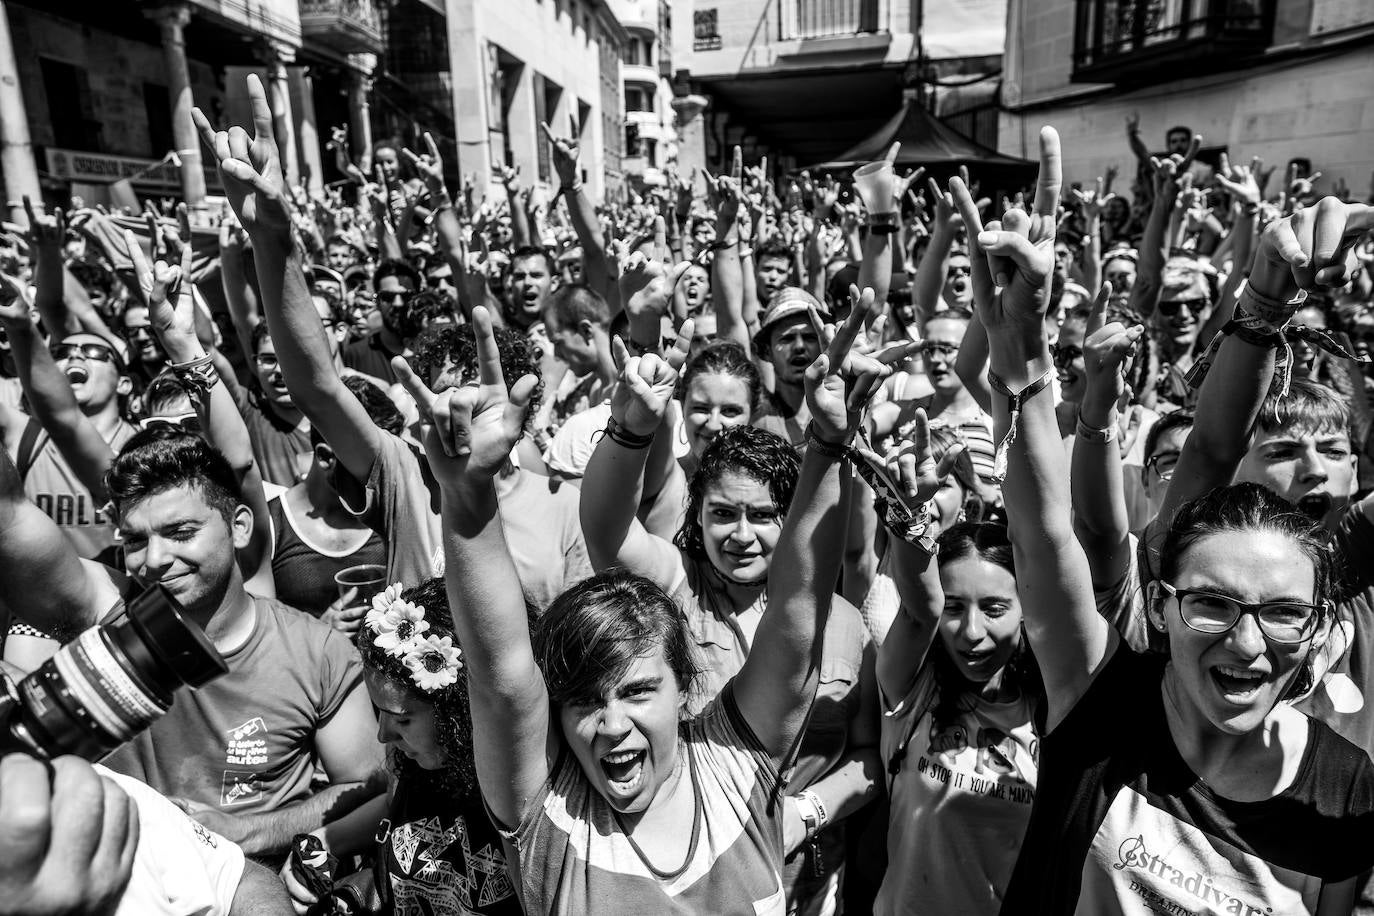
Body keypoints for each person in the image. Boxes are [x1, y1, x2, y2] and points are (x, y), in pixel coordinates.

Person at [948, 128, 1374, 914]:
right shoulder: (1101, 699)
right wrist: (1025, 357)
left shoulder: (1347, 795)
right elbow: (1050, 534)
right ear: (1159, 602)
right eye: (1211, 604)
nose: (1247, 644)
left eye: (1284, 613)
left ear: (1319, 622)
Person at [398, 295, 878, 912]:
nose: (613, 725)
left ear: (685, 687)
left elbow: (799, 610)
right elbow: (500, 671)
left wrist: (831, 444)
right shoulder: (550, 816)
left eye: (638, 691)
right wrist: (467, 495)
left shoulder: (736, 772)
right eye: (584, 701)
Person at [580, 297, 894, 913]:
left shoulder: (842, 622)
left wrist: (805, 811)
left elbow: (868, 758)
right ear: (696, 519)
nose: (741, 535)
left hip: (810, 886)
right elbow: (608, 533)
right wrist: (633, 429)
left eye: (763, 516)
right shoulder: (676, 590)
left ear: (791, 519)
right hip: (692, 884)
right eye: (722, 514)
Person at [282, 578, 521, 915]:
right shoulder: (420, 766)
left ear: (457, 710)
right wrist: (324, 840)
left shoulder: (513, 789)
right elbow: (392, 806)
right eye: (378, 711)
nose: (383, 735)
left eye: (403, 719)